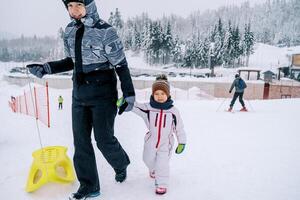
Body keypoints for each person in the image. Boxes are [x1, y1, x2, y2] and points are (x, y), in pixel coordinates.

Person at [26, 0, 135, 199]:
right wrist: (46, 68)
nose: (74, 10)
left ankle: (121, 164)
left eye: (78, 5)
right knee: (81, 141)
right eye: (70, 6)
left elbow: (120, 64)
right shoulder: (69, 30)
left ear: (89, 6)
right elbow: (71, 61)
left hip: (103, 92)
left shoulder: (106, 31)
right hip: (79, 93)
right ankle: (89, 186)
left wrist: (129, 94)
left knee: (104, 140)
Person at [121, 74, 186, 195]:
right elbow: (135, 106)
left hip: (166, 143)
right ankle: (153, 169)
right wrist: (124, 103)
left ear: (168, 94)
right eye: (157, 94)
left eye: (163, 94)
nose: (160, 97)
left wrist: (182, 142)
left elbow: (179, 128)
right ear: (152, 94)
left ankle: (161, 184)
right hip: (151, 141)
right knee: (147, 159)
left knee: (162, 164)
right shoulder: (148, 108)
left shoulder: (173, 111)